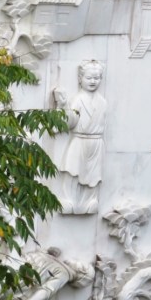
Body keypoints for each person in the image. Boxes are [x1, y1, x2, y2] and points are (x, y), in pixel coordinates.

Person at [53, 60, 107, 214]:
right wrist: (62, 106)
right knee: (73, 171)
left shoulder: (102, 101)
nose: (93, 81)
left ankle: (89, 201)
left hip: (96, 142)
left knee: (94, 175)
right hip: (79, 140)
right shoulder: (77, 99)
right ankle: (69, 200)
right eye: (89, 78)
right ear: (80, 78)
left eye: (96, 78)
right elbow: (70, 122)